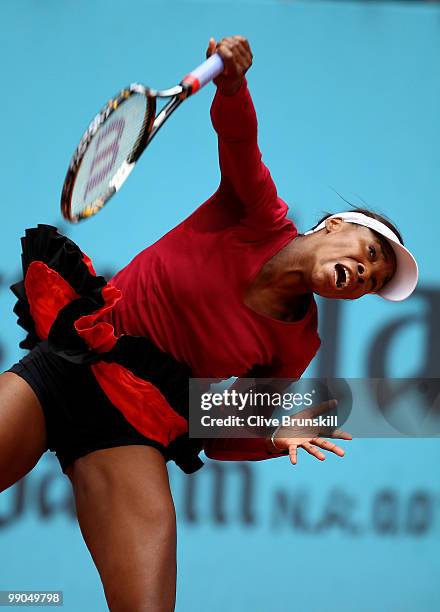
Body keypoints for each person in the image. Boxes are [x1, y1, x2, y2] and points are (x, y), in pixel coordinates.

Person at [0, 36, 418, 611]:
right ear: (331, 228)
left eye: (373, 282)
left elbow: (214, 423)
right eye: (368, 253)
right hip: (69, 368)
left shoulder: (299, 341)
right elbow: (240, 138)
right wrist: (232, 81)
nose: (365, 274)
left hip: (132, 429)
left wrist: (273, 433)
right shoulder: (256, 210)